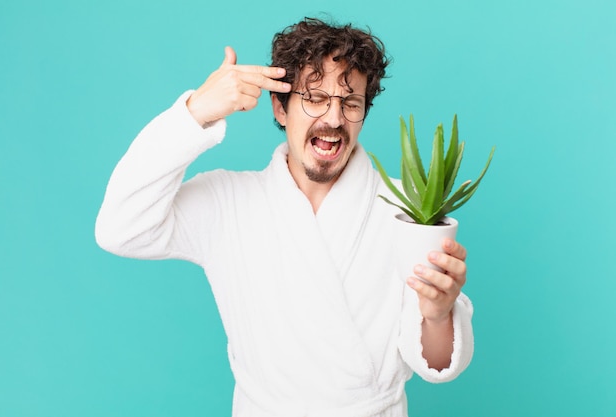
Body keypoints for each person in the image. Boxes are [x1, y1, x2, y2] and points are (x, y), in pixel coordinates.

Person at [95, 17, 473, 417]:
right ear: (280, 107)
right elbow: (120, 229)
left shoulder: (408, 208)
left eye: (350, 103)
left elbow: (435, 365)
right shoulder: (228, 202)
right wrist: (195, 112)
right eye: (314, 97)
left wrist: (437, 315)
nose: (333, 119)